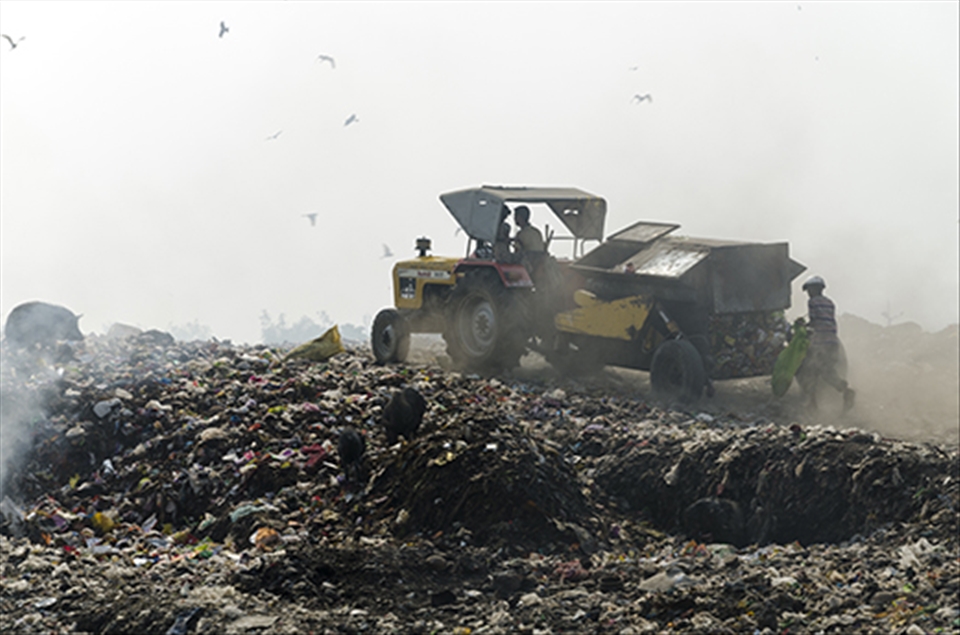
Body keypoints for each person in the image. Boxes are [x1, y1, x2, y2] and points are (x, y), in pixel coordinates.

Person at [796, 275, 856, 413]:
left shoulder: (813, 302)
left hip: (820, 342)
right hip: (833, 341)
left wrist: (802, 326)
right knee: (822, 371)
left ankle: (846, 391)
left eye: (810, 290)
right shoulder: (830, 302)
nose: (809, 293)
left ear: (816, 289)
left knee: (813, 371)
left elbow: (814, 321)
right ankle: (813, 403)